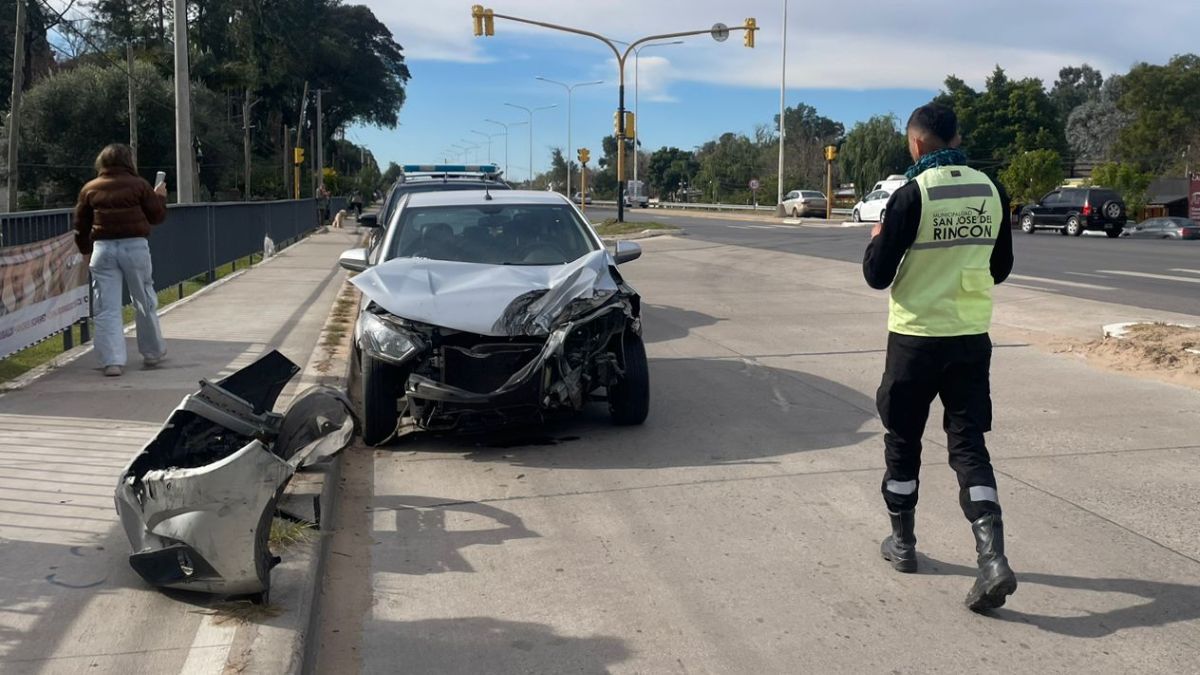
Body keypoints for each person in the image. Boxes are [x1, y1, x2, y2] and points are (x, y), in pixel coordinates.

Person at [862, 103, 1017, 612]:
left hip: (915, 339)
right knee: (969, 444)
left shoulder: (911, 194)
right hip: (970, 338)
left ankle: (903, 544)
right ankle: (992, 559)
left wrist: (881, 239)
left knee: (904, 438)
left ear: (917, 144)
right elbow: (1001, 268)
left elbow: (877, 275)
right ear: (956, 137)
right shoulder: (991, 191)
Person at [73, 144, 168, 377]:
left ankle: (112, 361)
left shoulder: (90, 188)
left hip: (103, 249)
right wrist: (160, 197)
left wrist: (86, 250)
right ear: (129, 162)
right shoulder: (140, 186)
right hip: (135, 246)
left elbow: (80, 227)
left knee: (106, 307)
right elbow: (156, 217)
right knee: (143, 299)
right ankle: (152, 352)